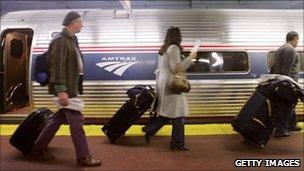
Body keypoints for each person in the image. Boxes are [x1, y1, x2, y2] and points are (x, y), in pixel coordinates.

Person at [30, 11, 101, 167]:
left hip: (70, 87)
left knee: (56, 120)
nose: (82, 24)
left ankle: (37, 149)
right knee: (77, 122)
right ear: (73, 22)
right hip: (65, 89)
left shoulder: (72, 40)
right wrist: (61, 90)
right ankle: (83, 156)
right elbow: (57, 67)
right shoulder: (61, 41)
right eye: (80, 21)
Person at [142, 26, 197, 150]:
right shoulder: (174, 48)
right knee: (178, 114)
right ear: (178, 37)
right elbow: (175, 68)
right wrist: (190, 59)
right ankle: (177, 143)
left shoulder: (164, 49)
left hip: (165, 83)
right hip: (172, 85)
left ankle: (150, 130)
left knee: (168, 113)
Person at [271, 31, 302, 137]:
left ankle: (292, 125)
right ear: (294, 38)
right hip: (287, 83)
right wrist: (288, 84)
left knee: (290, 104)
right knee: (285, 106)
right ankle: (280, 130)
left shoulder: (281, 48)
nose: (298, 41)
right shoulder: (290, 50)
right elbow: (286, 70)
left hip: (282, 81)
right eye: (298, 39)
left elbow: (274, 67)